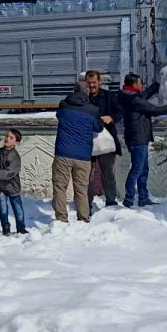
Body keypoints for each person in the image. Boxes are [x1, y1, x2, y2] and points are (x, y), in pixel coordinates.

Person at [119, 73, 167, 208]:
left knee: (143, 169)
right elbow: (154, 110)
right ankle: (129, 199)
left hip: (136, 138)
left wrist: (156, 84)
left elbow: (144, 95)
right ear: (134, 84)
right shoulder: (134, 100)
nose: (141, 85)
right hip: (138, 139)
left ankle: (143, 197)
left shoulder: (128, 96)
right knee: (137, 170)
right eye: (140, 83)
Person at [50, 90, 102, 223]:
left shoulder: (64, 108)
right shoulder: (92, 110)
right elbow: (98, 128)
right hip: (83, 157)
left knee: (60, 187)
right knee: (81, 190)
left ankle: (61, 218)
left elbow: (58, 114)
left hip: (63, 154)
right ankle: (83, 218)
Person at [83, 70, 123, 209]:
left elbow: (119, 112)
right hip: (87, 141)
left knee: (108, 172)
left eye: (94, 82)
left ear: (100, 82)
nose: (92, 85)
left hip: (106, 140)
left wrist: (111, 118)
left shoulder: (109, 96)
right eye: (89, 83)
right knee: (88, 174)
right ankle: (86, 203)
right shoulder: (83, 98)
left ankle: (111, 201)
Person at [0, 129, 25, 235]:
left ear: (17, 143)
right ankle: (5, 227)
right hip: (0, 186)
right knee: (2, 208)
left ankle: (21, 228)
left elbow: (10, 172)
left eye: (11, 138)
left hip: (12, 187)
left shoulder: (15, 157)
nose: (7, 139)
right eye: (6, 136)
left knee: (17, 208)